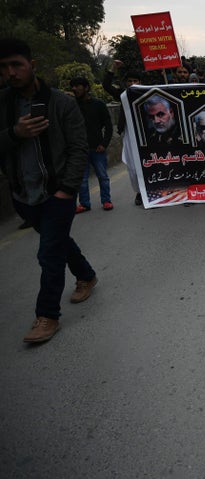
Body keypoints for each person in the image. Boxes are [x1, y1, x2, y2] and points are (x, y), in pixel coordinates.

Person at [0, 38, 98, 343]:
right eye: (4, 68)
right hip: (24, 196)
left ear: (32, 65)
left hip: (57, 193)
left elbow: (78, 148)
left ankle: (47, 316)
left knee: (49, 254)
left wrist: (67, 190)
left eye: (16, 64)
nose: (11, 73)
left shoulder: (62, 103)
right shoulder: (2, 105)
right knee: (58, 243)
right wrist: (14, 133)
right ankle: (86, 275)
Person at [102, 59, 144, 205]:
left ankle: (151, 191)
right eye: (130, 81)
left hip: (145, 135)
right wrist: (113, 67)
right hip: (129, 134)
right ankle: (139, 192)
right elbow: (106, 86)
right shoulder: (123, 95)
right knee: (133, 166)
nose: (132, 84)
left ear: (140, 82)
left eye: (135, 81)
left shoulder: (146, 94)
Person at [70, 76, 114, 213]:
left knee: (102, 176)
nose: (74, 89)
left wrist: (104, 144)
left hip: (97, 148)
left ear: (87, 88)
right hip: (79, 149)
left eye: (78, 86)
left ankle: (106, 200)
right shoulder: (71, 105)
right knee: (82, 179)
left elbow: (108, 126)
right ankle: (84, 204)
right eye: (73, 86)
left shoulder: (98, 104)